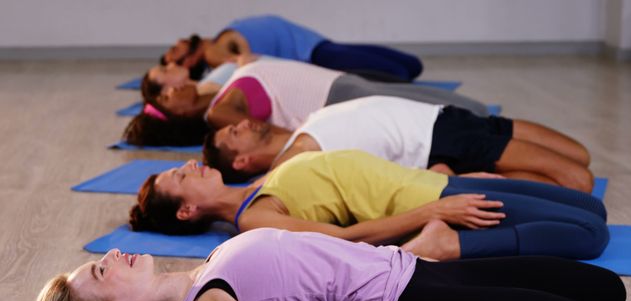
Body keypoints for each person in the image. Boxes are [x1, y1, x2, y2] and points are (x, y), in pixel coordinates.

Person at [34, 229, 631, 301]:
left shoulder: (202, 270)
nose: (109, 255)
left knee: (605, 288)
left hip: (418, 268)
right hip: (414, 298)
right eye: (99, 271)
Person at [130, 150, 608, 261]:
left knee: (593, 207)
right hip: (431, 203)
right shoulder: (253, 218)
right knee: (591, 235)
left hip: (433, 181)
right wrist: (433, 214)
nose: (191, 164)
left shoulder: (257, 183)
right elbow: (341, 238)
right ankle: (447, 247)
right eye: (179, 176)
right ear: (186, 212)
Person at [205, 96, 593, 192]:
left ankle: (484, 175)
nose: (239, 124)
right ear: (241, 162)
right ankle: (483, 180)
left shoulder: (297, 129)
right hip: (438, 140)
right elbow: (257, 196)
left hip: (449, 116)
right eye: (233, 135)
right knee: (579, 181)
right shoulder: (294, 158)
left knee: (581, 154)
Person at [124, 58, 489, 146]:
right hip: (338, 97)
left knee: (453, 106)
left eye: (166, 90)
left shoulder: (215, 96)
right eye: (166, 99)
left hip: (339, 84)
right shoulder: (220, 112)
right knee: (459, 111)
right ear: (177, 115)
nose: (170, 91)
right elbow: (271, 135)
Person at [161, 15, 423, 82]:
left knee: (413, 65)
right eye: (172, 54)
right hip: (313, 55)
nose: (176, 44)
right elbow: (243, 64)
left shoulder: (214, 40)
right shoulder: (212, 53)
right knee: (400, 72)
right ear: (187, 63)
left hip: (317, 43)